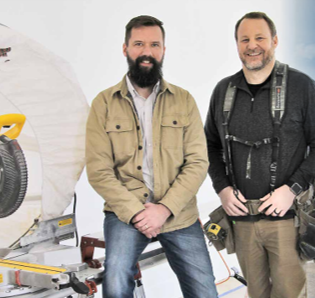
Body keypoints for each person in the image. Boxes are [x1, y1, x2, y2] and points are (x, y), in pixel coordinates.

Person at [205, 12, 315, 298]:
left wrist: (292, 189)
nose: (252, 45)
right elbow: (210, 147)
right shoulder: (222, 92)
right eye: (245, 39)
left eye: (260, 37)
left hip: (288, 222)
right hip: (242, 223)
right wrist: (223, 189)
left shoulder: (301, 87)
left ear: (274, 41)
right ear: (237, 44)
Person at [85, 15, 217, 297]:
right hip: (125, 215)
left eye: (155, 44)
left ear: (164, 50)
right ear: (125, 49)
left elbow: (197, 163)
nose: (147, 51)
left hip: (179, 215)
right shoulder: (103, 103)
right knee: (116, 279)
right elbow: (99, 170)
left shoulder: (184, 100)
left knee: (205, 291)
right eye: (139, 44)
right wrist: (135, 212)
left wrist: (165, 208)